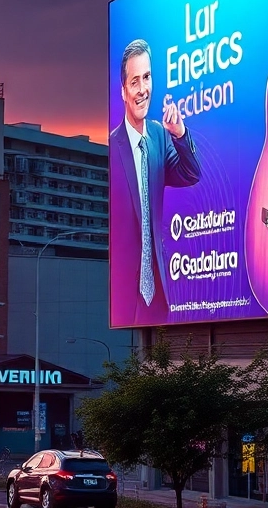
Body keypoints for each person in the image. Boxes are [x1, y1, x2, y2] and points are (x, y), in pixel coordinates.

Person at [109, 38, 202, 326]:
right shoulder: (112, 148)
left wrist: (180, 134)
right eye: (134, 81)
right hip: (124, 292)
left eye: (147, 77)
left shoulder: (160, 136)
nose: (142, 89)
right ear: (124, 91)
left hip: (157, 292)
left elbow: (190, 174)